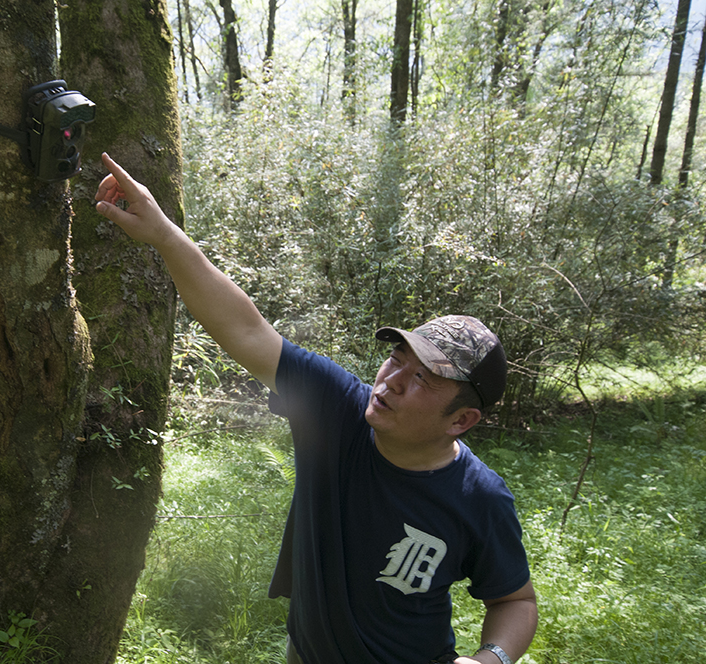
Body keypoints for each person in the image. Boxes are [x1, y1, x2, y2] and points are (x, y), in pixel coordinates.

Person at [94, 153, 538, 664]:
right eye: (396, 358)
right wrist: (164, 235)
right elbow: (246, 331)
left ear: (461, 420)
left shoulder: (479, 498)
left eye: (422, 378)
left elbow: (515, 600)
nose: (391, 380)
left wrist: (493, 659)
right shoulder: (337, 411)